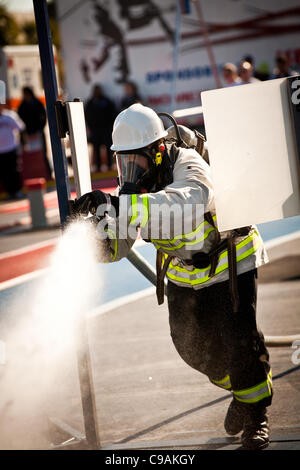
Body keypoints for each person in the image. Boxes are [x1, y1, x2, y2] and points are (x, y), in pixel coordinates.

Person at [73, 103, 272, 450]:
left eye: (137, 160)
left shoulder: (189, 165)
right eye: (124, 162)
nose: (130, 171)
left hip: (230, 262)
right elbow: (118, 247)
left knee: (240, 343)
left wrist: (120, 207)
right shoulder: (133, 191)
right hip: (184, 274)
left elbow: (186, 206)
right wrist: (89, 235)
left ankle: (256, 417)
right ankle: (244, 391)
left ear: (159, 151)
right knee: (192, 349)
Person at [18, 86, 52, 179]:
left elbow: (43, 117)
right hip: (28, 135)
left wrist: (40, 129)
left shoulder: (37, 103)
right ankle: (33, 175)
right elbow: (20, 121)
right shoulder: (22, 106)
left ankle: (48, 174)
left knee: (43, 154)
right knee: (29, 156)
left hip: (38, 133)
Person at [85, 84, 117, 172]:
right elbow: (87, 116)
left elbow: (112, 113)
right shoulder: (90, 103)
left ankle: (110, 165)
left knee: (108, 148)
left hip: (106, 129)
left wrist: (110, 127)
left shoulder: (107, 101)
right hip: (95, 130)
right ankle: (98, 167)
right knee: (96, 148)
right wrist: (91, 127)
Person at [0, 104, 25, 199]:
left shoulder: (10, 116)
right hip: (1, 151)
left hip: (11, 148)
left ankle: (18, 191)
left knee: (14, 170)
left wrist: (23, 144)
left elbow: (21, 128)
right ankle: (9, 192)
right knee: (4, 172)